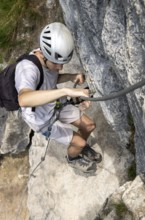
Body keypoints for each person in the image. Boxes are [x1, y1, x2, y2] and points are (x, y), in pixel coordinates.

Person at [15, 22, 102, 173]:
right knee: (80, 143)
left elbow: (50, 78)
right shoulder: (27, 69)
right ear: (44, 54)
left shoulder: (47, 59)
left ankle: (77, 145)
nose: (60, 68)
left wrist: (71, 76)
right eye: (56, 63)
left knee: (89, 126)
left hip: (55, 105)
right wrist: (66, 91)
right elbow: (24, 98)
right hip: (41, 119)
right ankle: (73, 158)